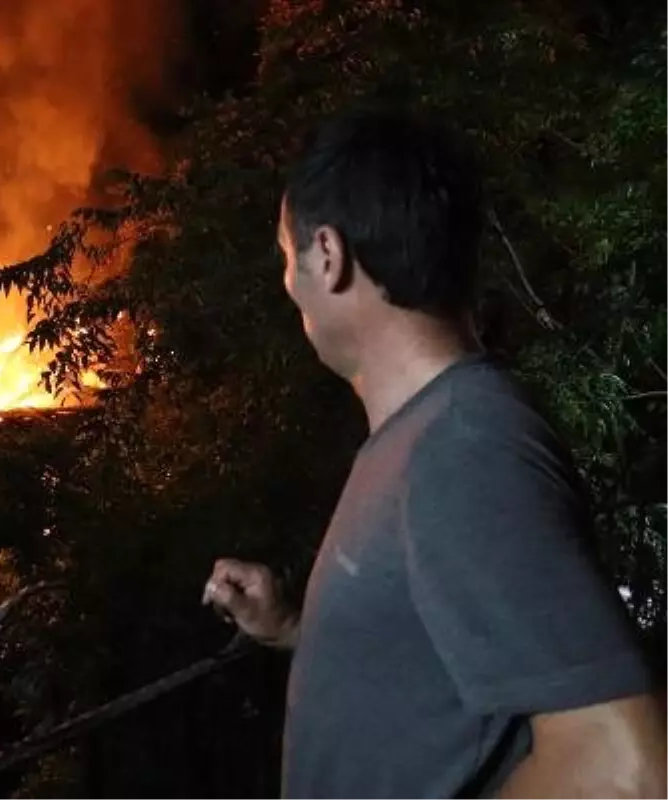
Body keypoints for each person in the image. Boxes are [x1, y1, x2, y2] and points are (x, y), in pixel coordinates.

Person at [202, 107, 668, 798]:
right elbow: (447, 665)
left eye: (284, 254)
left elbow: (626, 771)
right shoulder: (425, 437)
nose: (285, 282)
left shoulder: (464, 446)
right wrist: (298, 629)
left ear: (327, 257)